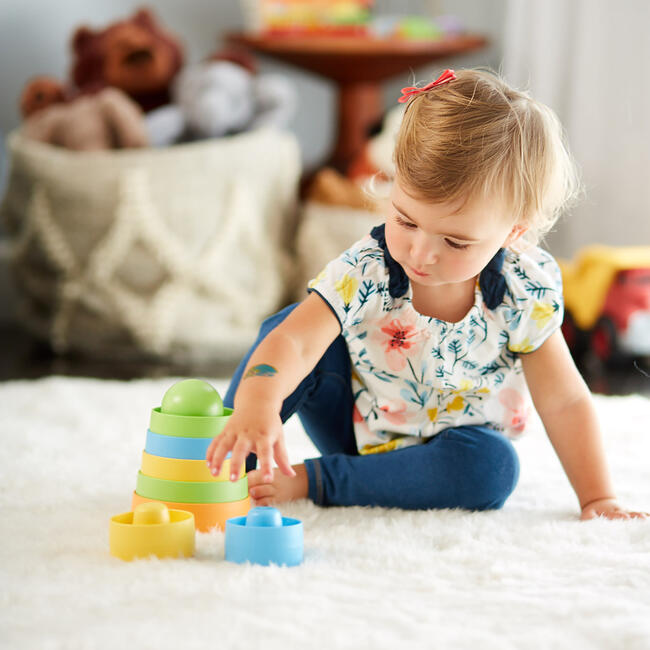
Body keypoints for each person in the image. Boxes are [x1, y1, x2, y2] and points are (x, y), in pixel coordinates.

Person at [206, 68, 647, 521]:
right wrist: (259, 403)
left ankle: (317, 481)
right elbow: (295, 344)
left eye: (455, 242)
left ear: (512, 232)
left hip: (448, 455)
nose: (421, 252)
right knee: (286, 327)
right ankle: (228, 464)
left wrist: (598, 497)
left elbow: (565, 400)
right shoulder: (368, 268)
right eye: (406, 220)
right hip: (356, 426)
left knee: (493, 467)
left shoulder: (521, 290)